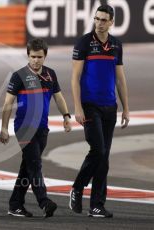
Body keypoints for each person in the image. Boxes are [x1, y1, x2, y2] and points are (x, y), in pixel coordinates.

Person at [69, 4, 129, 218]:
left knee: (104, 159)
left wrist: (126, 108)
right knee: (99, 150)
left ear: (112, 22)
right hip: (89, 106)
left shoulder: (116, 45)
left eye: (104, 20)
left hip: (110, 107)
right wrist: (77, 106)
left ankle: (96, 205)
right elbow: (75, 78)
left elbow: (120, 80)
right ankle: (77, 187)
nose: (100, 23)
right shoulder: (84, 43)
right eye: (97, 19)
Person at [0, 38, 71, 218]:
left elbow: (59, 97)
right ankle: (44, 201)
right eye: (32, 56)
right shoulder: (18, 76)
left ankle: (15, 204)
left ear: (45, 56)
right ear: (28, 55)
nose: (36, 60)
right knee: (35, 164)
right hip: (24, 127)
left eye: (39, 57)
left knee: (28, 166)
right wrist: (4, 128)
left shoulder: (50, 75)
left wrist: (66, 116)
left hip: (42, 128)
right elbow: (8, 103)